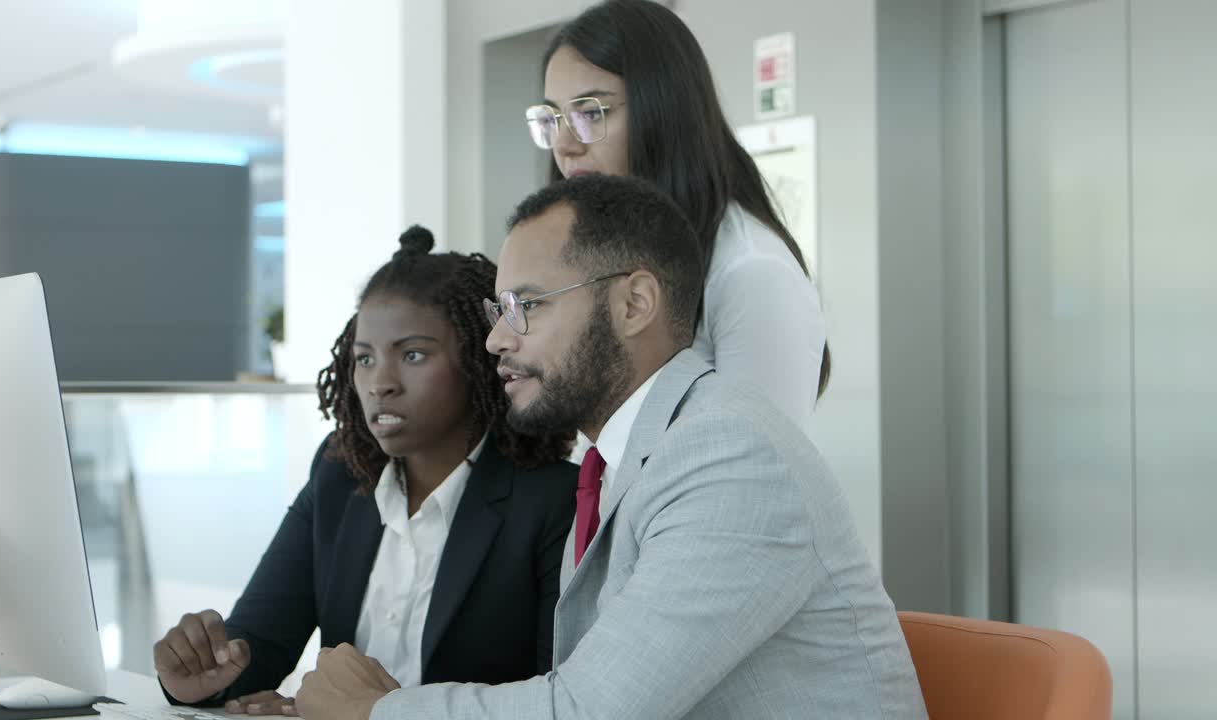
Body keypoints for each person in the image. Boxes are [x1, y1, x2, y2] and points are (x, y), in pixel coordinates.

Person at [295, 175, 927, 719]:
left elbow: (591, 710)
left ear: (634, 303)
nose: (496, 341)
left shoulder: (730, 455)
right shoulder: (619, 461)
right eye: (498, 311)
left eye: (527, 306)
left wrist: (373, 711)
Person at [152, 227, 578, 713]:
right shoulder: (340, 474)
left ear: (480, 361)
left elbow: (552, 700)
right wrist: (203, 675)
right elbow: (260, 642)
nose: (381, 383)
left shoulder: (552, 502)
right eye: (365, 359)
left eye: (413, 355)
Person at [523, 0, 830, 430]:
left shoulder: (751, 272)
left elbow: (757, 462)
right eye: (553, 118)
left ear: (664, 110)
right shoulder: (607, 258)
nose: (565, 145)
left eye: (591, 113)